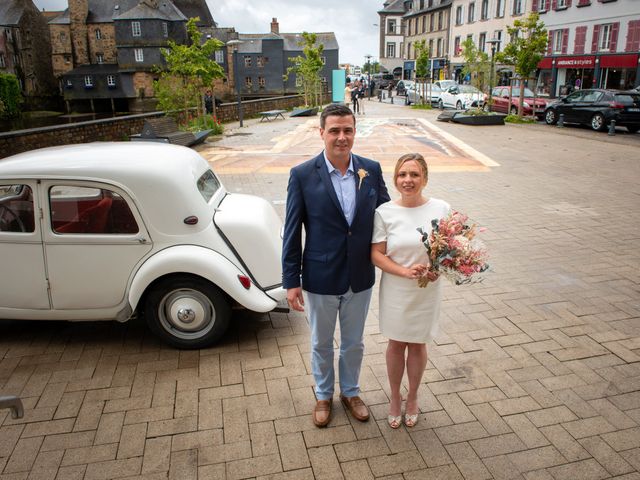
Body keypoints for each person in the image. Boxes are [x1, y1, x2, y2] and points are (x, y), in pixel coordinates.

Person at [282, 103, 390, 428]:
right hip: (320, 276)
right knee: (320, 342)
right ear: (321, 133)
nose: (342, 137)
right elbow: (291, 230)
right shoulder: (302, 175)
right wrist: (291, 280)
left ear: (355, 132)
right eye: (334, 131)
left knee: (354, 342)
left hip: (360, 275)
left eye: (348, 130)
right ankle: (324, 395)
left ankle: (352, 392)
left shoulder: (371, 169)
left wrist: (424, 241)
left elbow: (388, 217)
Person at [371, 153, 450, 429]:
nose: (408, 180)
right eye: (403, 175)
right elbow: (377, 255)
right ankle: (395, 397)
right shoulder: (384, 212)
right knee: (396, 343)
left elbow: (452, 249)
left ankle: (413, 397)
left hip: (426, 289)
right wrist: (404, 271)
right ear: (395, 179)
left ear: (425, 178)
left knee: (418, 343)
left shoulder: (442, 209)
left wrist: (440, 268)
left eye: (414, 174)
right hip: (396, 287)